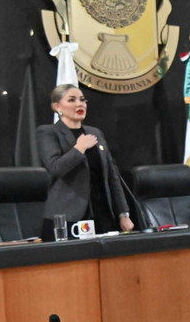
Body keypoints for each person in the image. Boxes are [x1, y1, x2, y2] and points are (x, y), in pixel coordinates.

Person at [36, 84, 134, 238]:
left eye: (82, 100)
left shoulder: (95, 133)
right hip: (68, 217)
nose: (79, 104)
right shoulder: (48, 132)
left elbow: (112, 176)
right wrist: (79, 148)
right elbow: (56, 167)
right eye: (72, 100)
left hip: (101, 213)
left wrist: (123, 213)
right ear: (57, 107)